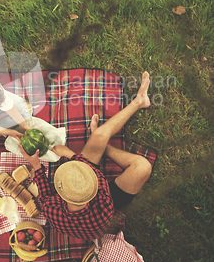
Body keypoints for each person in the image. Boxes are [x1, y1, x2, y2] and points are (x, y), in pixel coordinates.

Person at [18, 71, 153, 241]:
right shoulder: (104, 201)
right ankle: (138, 102)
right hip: (107, 210)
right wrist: (69, 153)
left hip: (94, 219)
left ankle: (134, 107)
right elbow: (88, 170)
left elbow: (45, 196)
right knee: (143, 167)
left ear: (60, 191)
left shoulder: (53, 212)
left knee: (100, 138)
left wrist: (37, 166)